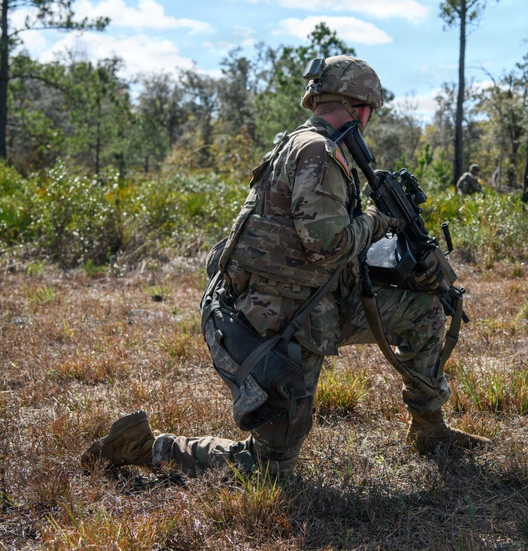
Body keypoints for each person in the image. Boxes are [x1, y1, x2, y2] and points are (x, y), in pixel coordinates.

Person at [82, 56, 489, 477]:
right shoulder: (319, 152)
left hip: (314, 302)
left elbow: (314, 244)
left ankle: (428, 428)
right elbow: (329, 246)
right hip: (282, 323)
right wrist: (377, 221)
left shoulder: (304, 144)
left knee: (423, 311)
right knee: (268, 471)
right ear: (359, 107)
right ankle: (145, 447)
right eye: (370, 111)